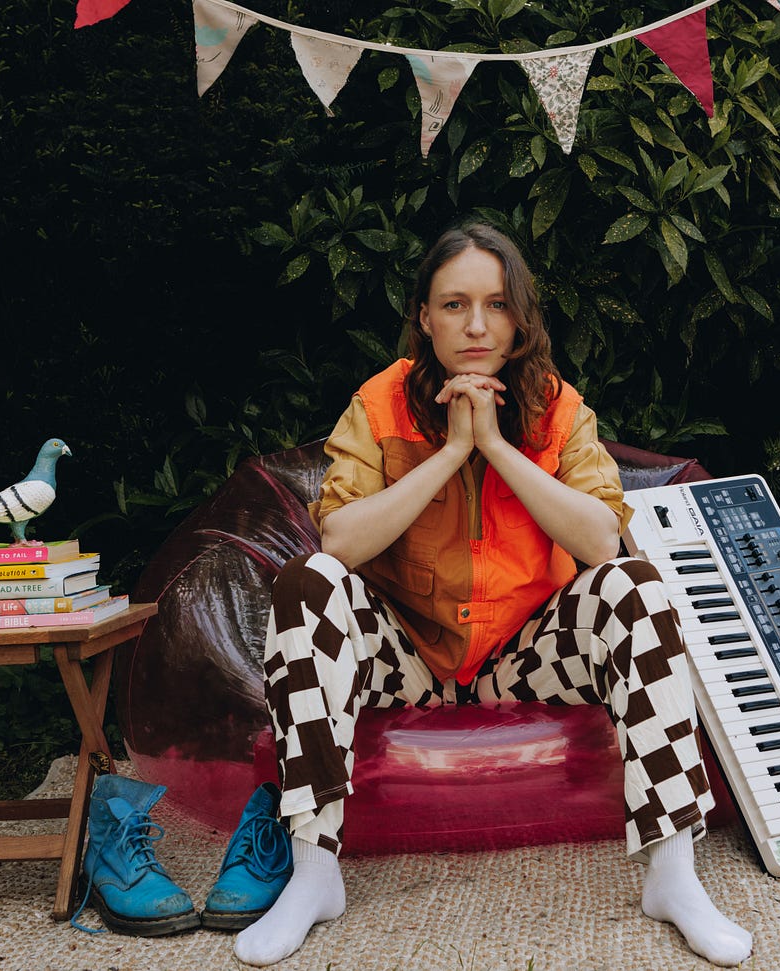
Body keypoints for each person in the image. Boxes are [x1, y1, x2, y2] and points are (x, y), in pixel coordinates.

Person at [231, 222, 753, 967]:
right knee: (309, 580)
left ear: (521, 317)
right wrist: (450, 451)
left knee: (635, 586)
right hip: (406, 652)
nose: (476, 325)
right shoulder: (379, 403)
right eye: (454, 305)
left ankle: (674, 872)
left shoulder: (559, 406)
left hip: (525, 652)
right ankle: (314, 871)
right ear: (424, 316)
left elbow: (602, 541)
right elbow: (340, 544)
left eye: (496, 304)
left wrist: (497, 446)